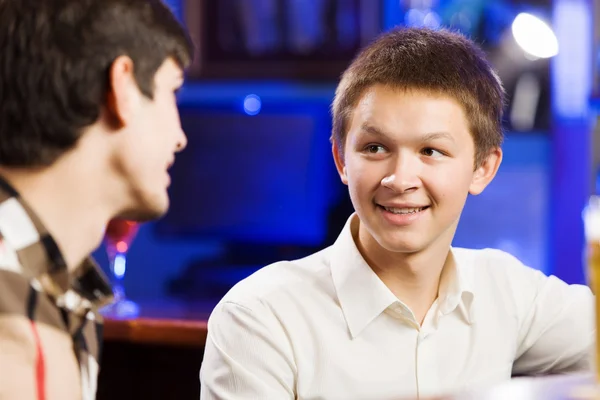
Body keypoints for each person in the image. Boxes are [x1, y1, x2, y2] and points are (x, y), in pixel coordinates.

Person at [200, 27, 594, 399]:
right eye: (375, 148)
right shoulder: (261, 317)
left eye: (431, 151)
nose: (400, 179)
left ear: (482, 168)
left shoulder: (509, 295)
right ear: (340, 159)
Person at [0, 0, 192, 399]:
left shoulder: (64, 295)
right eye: (171, 91)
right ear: (122, 87)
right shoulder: (11, 329)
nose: (179, 136)